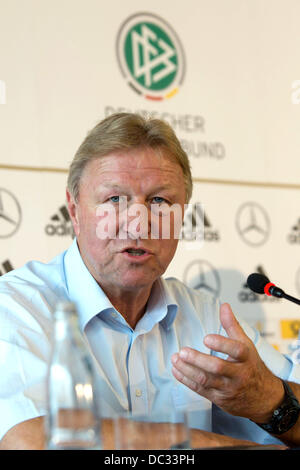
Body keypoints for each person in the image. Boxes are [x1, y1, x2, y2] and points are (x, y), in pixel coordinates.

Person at [0, 112, 300, 450]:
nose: (139, 225)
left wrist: (270, 399)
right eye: (115, 200)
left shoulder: (208, 317)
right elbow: (28, 441)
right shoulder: (16, 307)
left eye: (159, 201)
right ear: (73, 210)